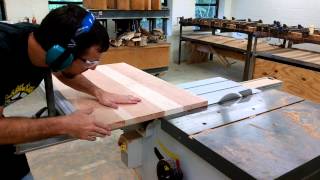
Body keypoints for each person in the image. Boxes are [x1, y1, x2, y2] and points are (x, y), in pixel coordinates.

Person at [0, 4, 141, 180]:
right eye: (89, 62)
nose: (93, 69)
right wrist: (63, 124)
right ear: (63, 55)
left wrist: (97, 91)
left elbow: (62, 71)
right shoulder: (4, 53)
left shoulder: (44, 42)